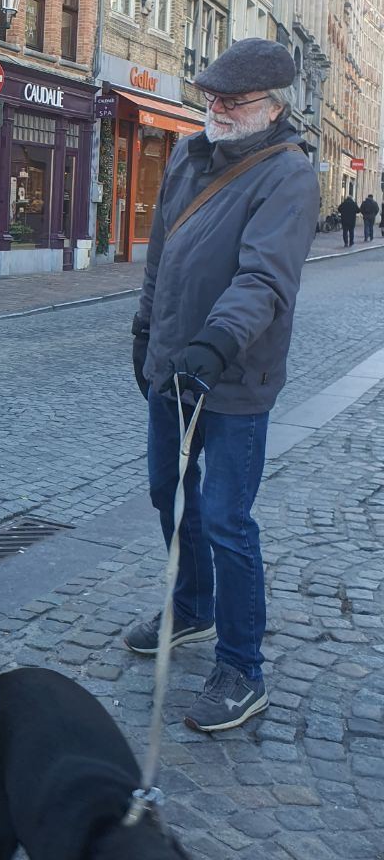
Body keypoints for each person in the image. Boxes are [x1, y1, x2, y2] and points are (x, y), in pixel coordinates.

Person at [126, 38, 319, 734]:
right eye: (212, 97)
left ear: (271, 107)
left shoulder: (289, 175)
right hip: (174, 366)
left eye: (232, 101)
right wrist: (145, 329)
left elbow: (264, 278)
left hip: (235, 376)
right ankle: (192, 606)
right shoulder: (187, 155)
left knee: (227, 519)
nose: (218, 109)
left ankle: (241, 668)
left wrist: (215, 343)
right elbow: (163, 253)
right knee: (168, 494)